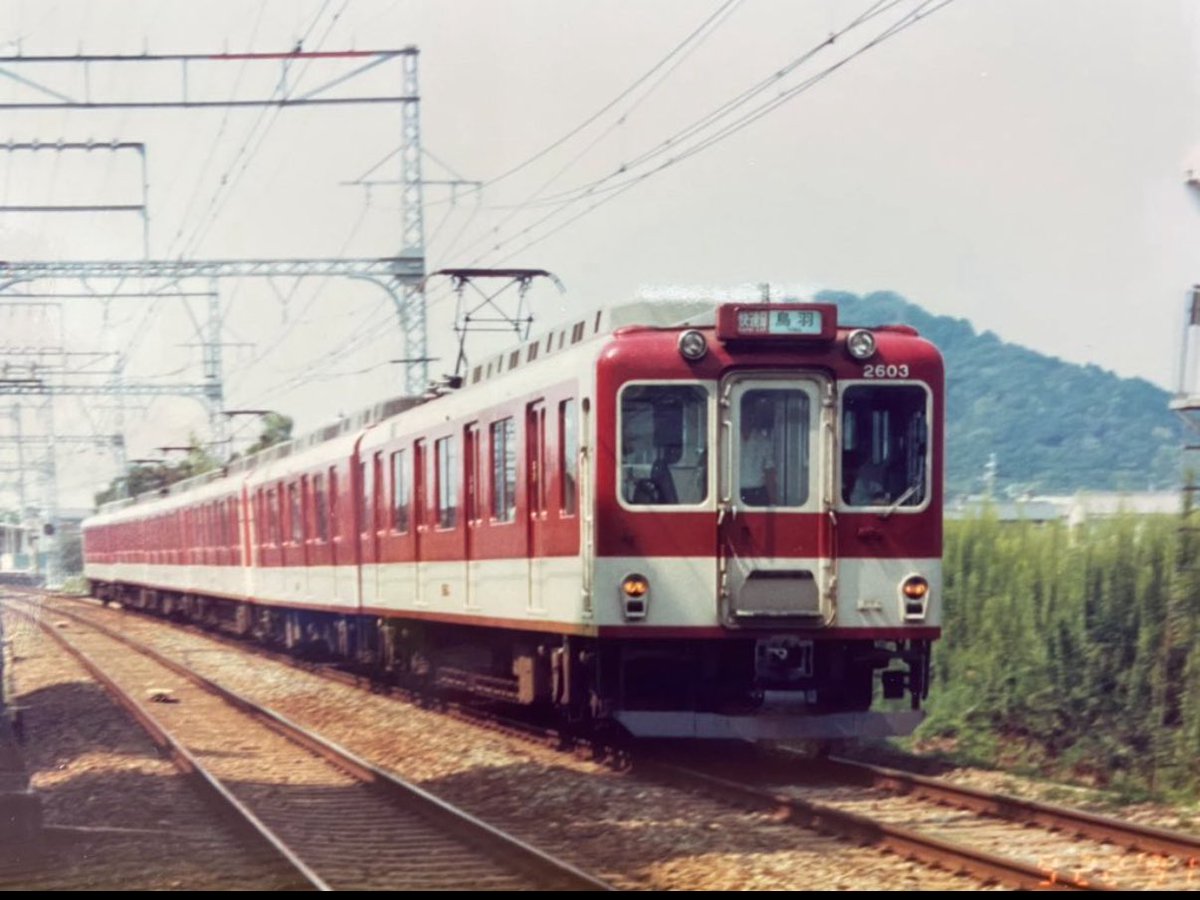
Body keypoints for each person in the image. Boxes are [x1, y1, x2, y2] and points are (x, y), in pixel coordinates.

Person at [740, 399, 777, 506]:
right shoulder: (726, 438)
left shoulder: (763, 441)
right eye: (744, 414)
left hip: (758, 494)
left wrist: (773, 501)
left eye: (750, 415)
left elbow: (769, 471)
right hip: (733, 493)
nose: (747, 418)